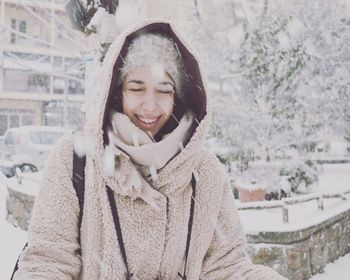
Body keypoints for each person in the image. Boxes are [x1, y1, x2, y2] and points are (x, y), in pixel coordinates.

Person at [13, 21, 286, 280]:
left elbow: (227, 268)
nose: (150, 105)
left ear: (176, 95)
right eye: (136, 88)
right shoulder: (76, 160)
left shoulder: (205, 172)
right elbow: (48, 261)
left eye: (163, 90)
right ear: (117, 91)